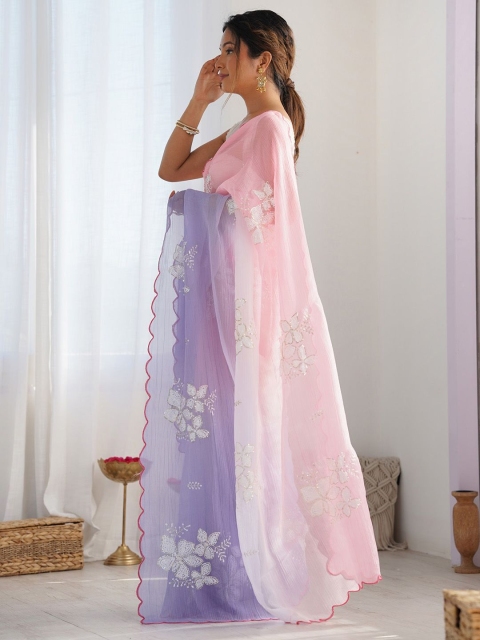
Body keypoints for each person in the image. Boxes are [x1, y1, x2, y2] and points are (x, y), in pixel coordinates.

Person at [137, 9, 381, 625]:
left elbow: (266, 231)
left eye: (230, 49)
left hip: (247, 312)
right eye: (220, 49)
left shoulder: (270, 129)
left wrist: (213, 213)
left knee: (243, 439)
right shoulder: (247, 128)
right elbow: (171, 168)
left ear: (261, 58)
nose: (221, 60)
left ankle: (251, 576)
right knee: (221, 438)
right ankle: (226, 575)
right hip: (222, 303)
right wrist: (199, 100)